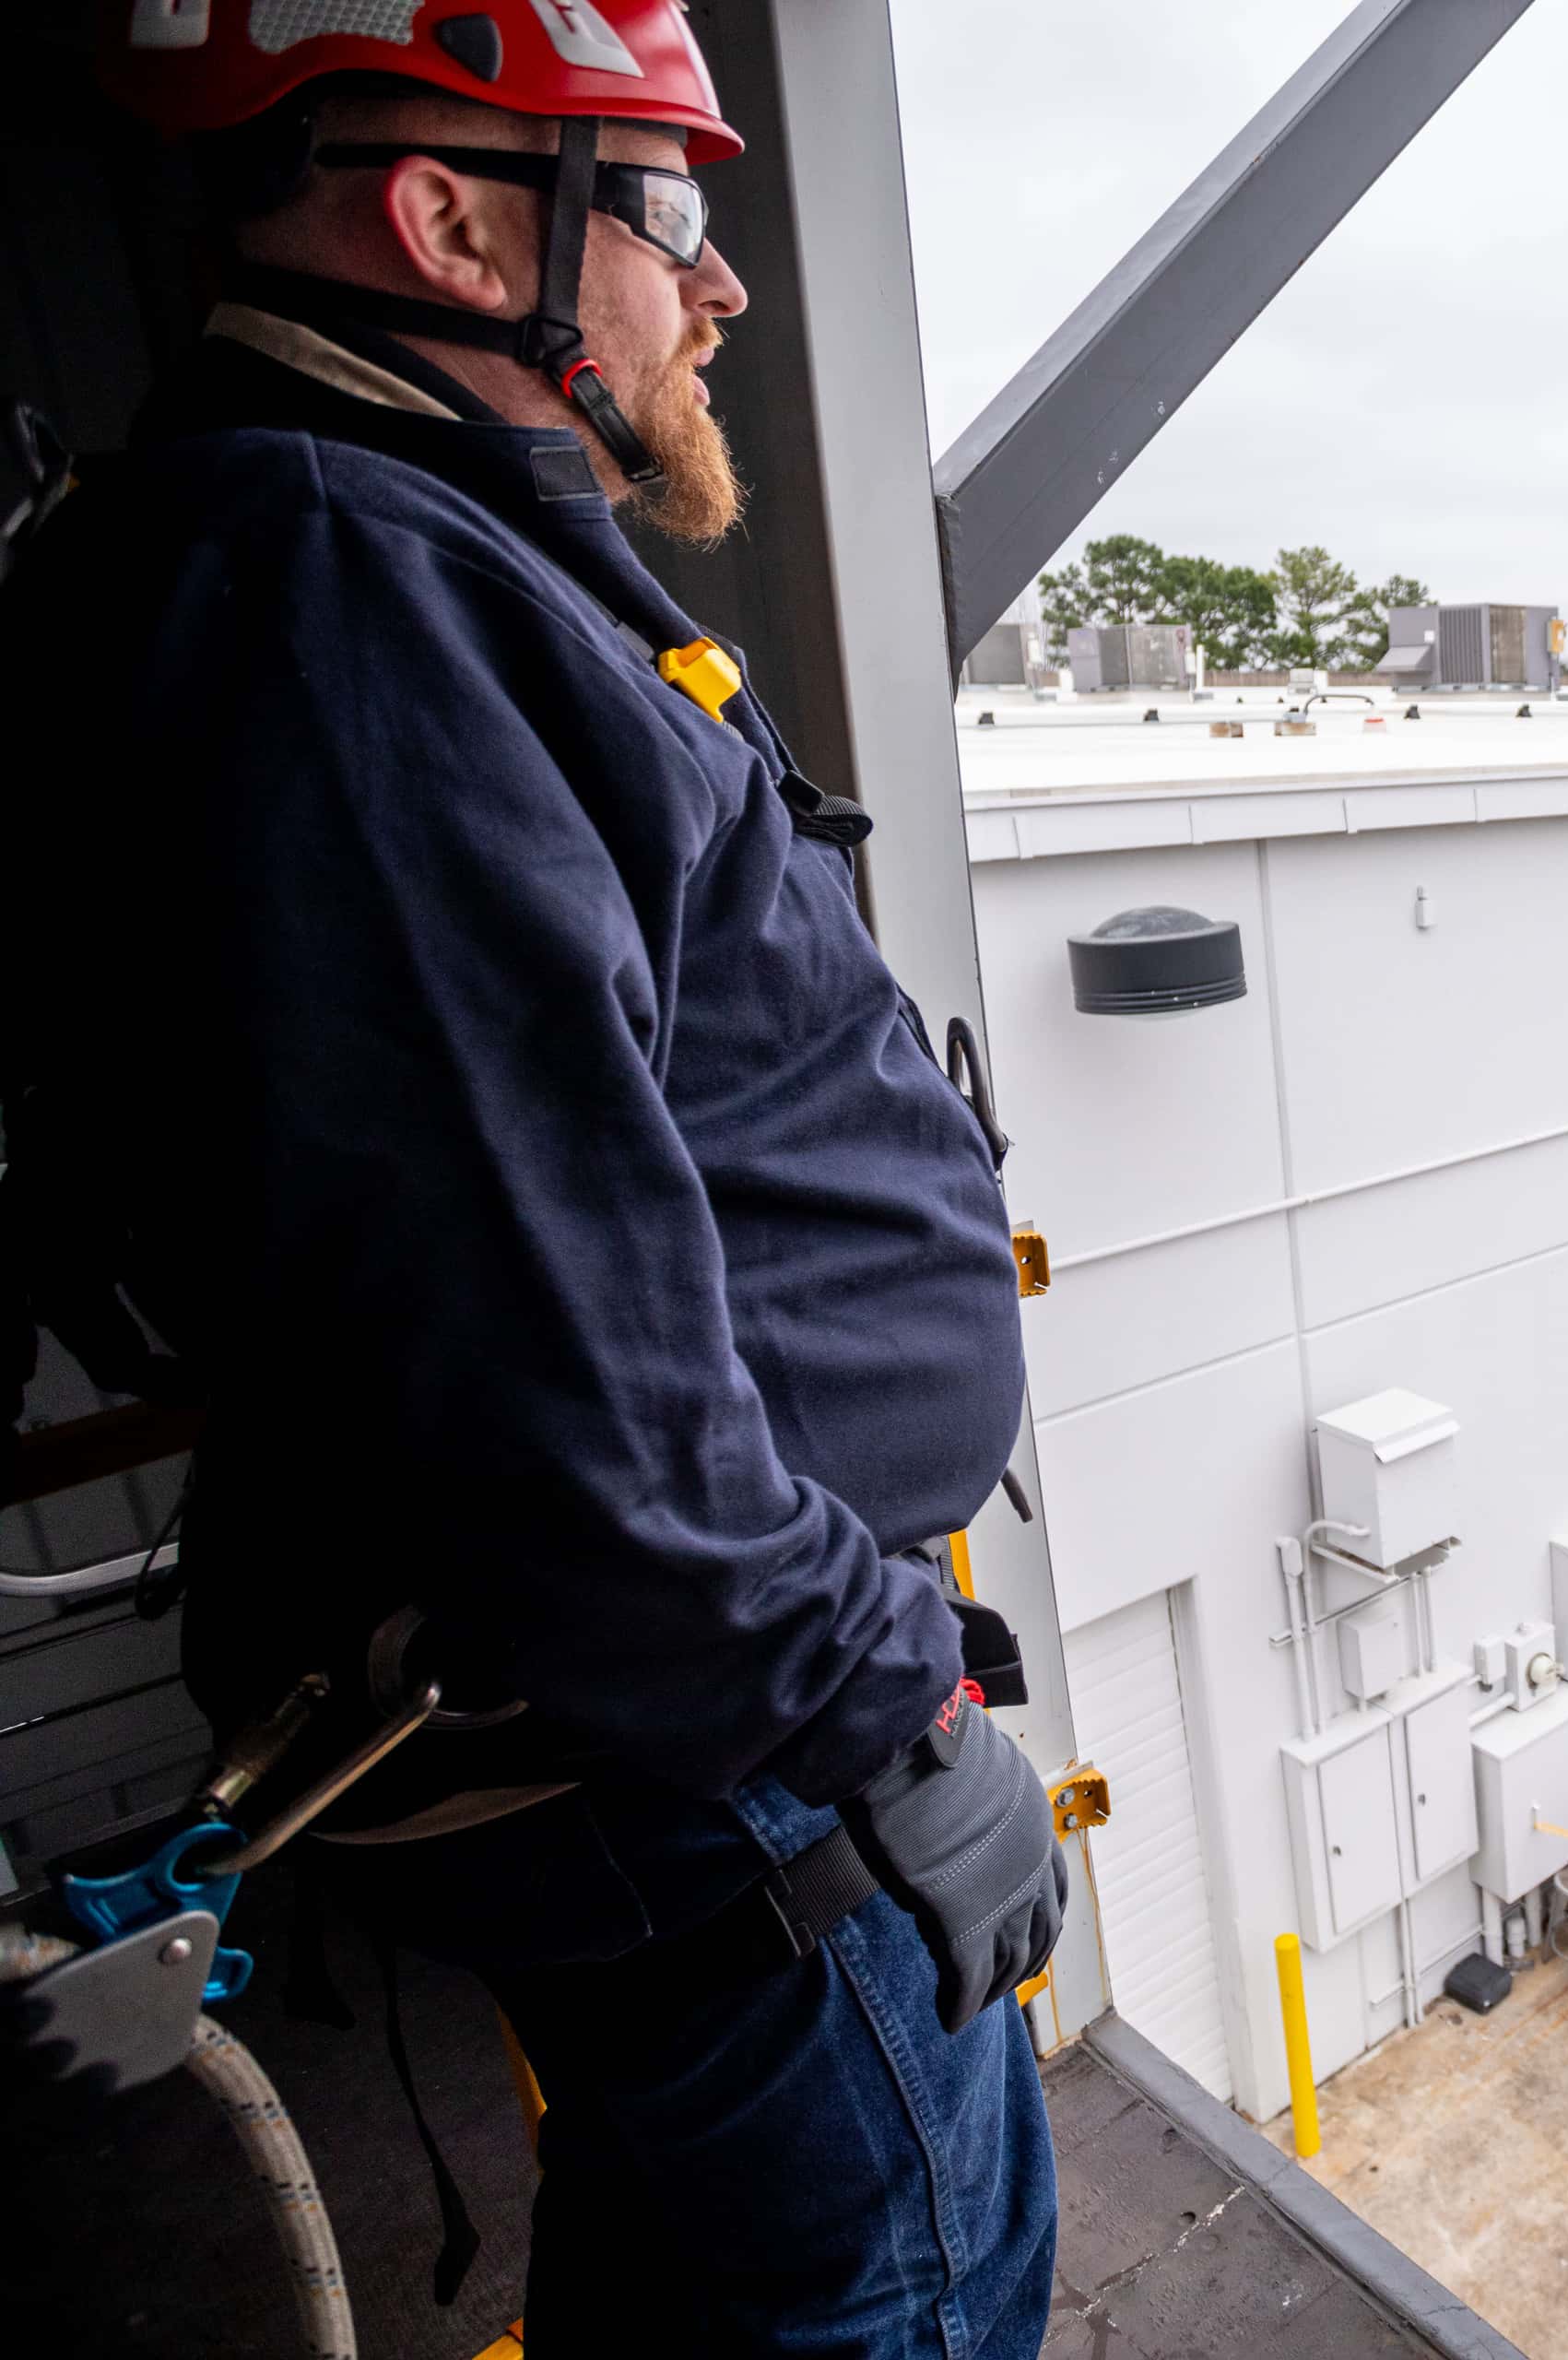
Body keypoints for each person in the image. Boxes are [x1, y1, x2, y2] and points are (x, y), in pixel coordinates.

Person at [5, 6, 1062, 2349]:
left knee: (701, 2263)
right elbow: (534, 1348)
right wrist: (891, 1712)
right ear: (452, 212)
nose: (724, 287)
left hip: (673, 1721)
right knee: (894, 2288)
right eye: (670, 207)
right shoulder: (340, 603)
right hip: (710, 1762)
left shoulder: (419, 563)